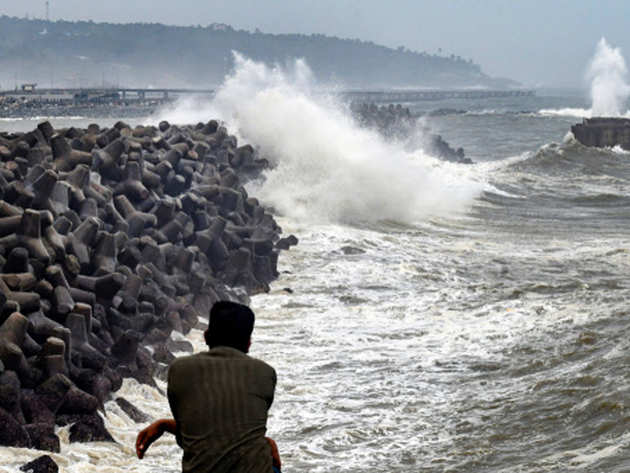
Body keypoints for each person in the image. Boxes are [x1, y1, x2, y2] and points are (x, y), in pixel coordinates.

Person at [135, 301, 282, 472]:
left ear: (206, 336)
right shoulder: (264, 372)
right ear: (248, 343)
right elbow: (238, 428)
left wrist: (164, 425)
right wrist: (268, 442)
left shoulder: (179, 370)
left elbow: (192, 432)